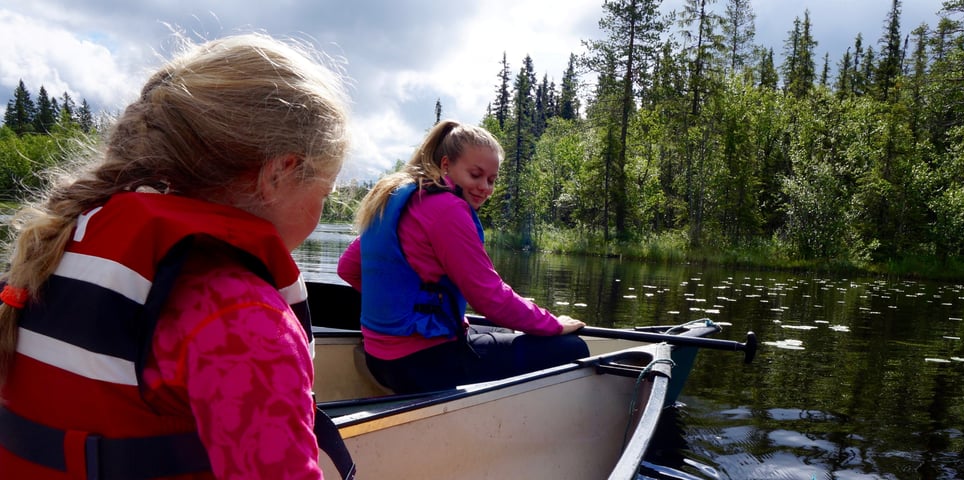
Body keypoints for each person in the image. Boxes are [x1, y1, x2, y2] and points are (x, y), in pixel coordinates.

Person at [0, 34, 354, 479]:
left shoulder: (59, 243)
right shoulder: (241, 316)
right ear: (279, 174)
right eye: (329, 186)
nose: (327, 203)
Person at [336, 120, 589, 395]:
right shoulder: (447, 209)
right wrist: (553, 324)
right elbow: (488, 297)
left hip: (379, 359)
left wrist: (401, 303)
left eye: (491, 180)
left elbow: (348, 268)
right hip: (423, 365)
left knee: (507, 335)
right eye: (475, 174)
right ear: (446, 165)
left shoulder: (397, 199)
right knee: (572, 348)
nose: (485, 187)